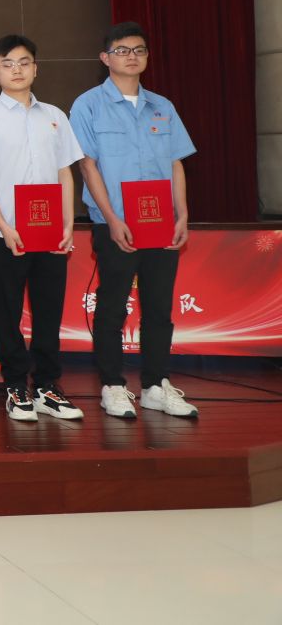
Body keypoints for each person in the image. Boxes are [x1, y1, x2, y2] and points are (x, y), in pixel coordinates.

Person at [70, 21, 198, 420]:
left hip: (161, 223)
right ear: (105, 58)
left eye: (139, 50)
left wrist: (182, 214)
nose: (131, 56)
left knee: (159, 307)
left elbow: (175, 163)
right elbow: (87, 165)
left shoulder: (163, 106)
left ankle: (157, 385)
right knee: (113, 306)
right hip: (116, 223)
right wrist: (110, 218)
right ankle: (112, 386)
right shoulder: (88, 105)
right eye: (122, 50)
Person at [0, 34, 85, 423]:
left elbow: (66, 172)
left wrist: (68, 224)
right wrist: (4, 225)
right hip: (7, 234)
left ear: (35, 68)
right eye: (7, 64)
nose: (16, 70)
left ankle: (48, 386)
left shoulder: (55, 116)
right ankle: (16, 386)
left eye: (23, 62)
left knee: (49, 311)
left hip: (52, 233)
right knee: (8, 312)